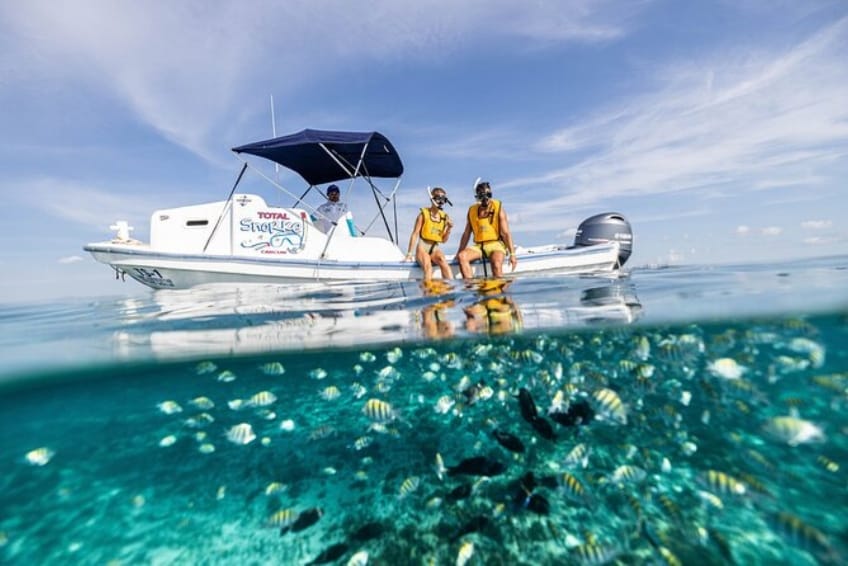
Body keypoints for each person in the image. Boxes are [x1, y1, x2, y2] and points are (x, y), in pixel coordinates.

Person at [456, 181, 517, 278]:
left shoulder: (498, 208)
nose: (486, 199)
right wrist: (459, 251)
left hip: (496, 244)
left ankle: (500, 291)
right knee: (462, 256)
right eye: (482, 196)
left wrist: (512, 254)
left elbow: (506, 233)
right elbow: (466, 233)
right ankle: (471, 288)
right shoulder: (472, 210)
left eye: (488, 195)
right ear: (477, 197)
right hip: (479, 246)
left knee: (496, 263)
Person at [404, 187, 454, 281]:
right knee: (428, 267)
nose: (441, 202)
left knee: (444, 262)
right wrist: (409, 253)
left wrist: (449, 229)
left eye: (443, 200)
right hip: (423, 247)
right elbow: (415, 234)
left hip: (435, 247)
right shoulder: (423, 214)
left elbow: (443, 240)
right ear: (432, 199)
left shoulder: (444, 217)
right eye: (439, 199)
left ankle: (451, 291)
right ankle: (427, 293)